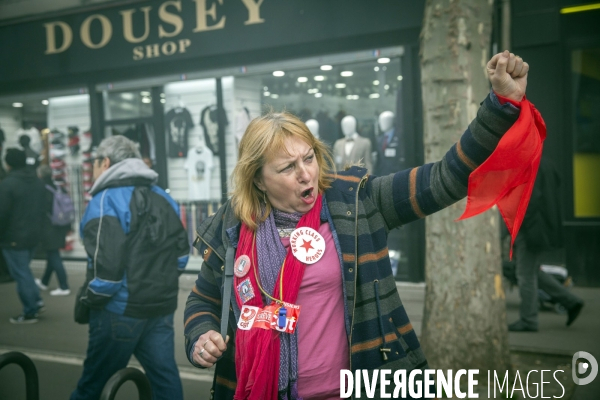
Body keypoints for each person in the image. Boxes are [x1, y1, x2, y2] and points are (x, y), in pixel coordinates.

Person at [183, 51, 529, 399]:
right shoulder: (232, 226)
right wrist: (201, 336)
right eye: (287, 168)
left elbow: (444, 178)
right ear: (258, 180)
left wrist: (500, 106)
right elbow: (202, 302)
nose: (306, 174)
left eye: (309, 158)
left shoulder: (355, 201)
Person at [71, 135, 190, 400]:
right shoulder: (163, 197)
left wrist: (88, 299)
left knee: (93, 386)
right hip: (161, 306)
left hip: (118, 310)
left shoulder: (104, 201)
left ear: (105, 162)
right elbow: (182, 256)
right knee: (164, 380)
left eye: (94, 162)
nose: (91, 168)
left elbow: (107, 275)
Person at [508, 158, 584, 332]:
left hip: (530, 229)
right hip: (542, 227)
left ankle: (529, 320)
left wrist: (521, 224)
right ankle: (571, 301)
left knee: (525, 275)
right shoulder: (545, 163)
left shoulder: (529, 164)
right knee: (532, 271)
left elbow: (530, 200)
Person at [0, 148, 46, 323]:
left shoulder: (7, 184)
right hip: (34, 234)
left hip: (13, 236)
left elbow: (2, 214)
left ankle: (30, 310)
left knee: (21, 274)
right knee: (25, 271)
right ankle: (36, 301)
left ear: (8, 163)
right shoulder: (36, 181)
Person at [34, 165, 71, 296]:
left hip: (48, 227)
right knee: (52, 254)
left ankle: (64, 286)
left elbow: (39, 210)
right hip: (60, 225)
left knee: (54, 255)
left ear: (40, 175)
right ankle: (44, 282)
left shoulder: (41, 189)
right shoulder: (58, 187)